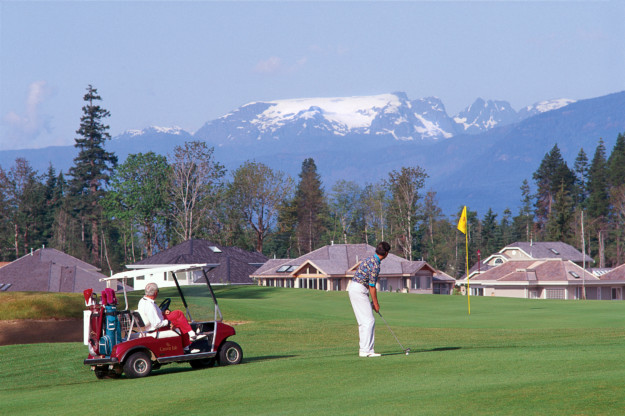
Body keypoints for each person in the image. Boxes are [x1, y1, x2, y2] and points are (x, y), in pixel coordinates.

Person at [348, 241, 390, 357]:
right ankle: (366, 351)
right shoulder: (375, 264)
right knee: (369, 321)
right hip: (359, 290)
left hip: (356, 288)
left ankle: (365, 349)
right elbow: (372, 286)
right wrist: (375, 303)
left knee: (364, 322)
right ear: (386, 253)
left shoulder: (369, 259)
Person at [138, 282, 205, 351]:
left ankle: (189, 337)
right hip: (157, 328)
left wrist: (162, 312)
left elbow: (153, 315)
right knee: (180, 319)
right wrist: (169, 322)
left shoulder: (143, 301)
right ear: (155, 293)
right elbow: (157, 323)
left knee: (178, 315)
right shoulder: (150, 306)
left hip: (154, 323)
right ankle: (189, 340)